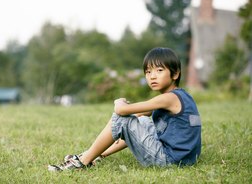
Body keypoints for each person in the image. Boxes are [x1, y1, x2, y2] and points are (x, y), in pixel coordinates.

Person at [48, 47, 201, 171]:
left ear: (175, 74)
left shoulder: (168, 98)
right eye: (148, 71)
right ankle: (95, 155)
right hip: (185, 160)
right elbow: (132, 123)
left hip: (170, 161)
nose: (152, 76)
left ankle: (82, 162)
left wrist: (119, 102)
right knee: (140, 121)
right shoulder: (181, 96)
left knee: (122, 118)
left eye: (159, 70)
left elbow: (121, 112)